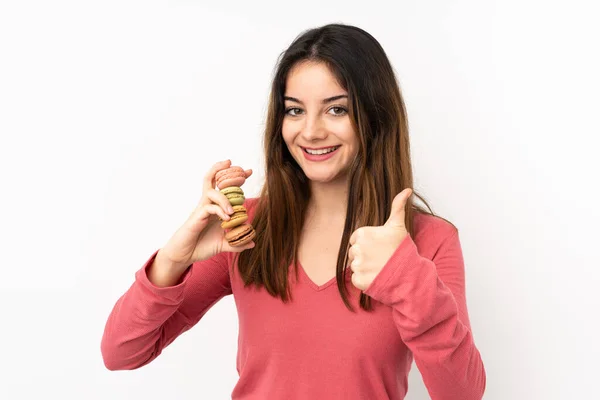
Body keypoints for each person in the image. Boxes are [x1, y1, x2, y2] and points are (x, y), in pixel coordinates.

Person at [101, 23, 486, 399]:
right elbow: (121, 353)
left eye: (337, 110)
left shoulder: (428, 241)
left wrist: (407, 278)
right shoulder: (247, 230)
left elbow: (461, 393)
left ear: (376, 117)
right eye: (294, 110)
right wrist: (173, 259)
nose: (311, 131)